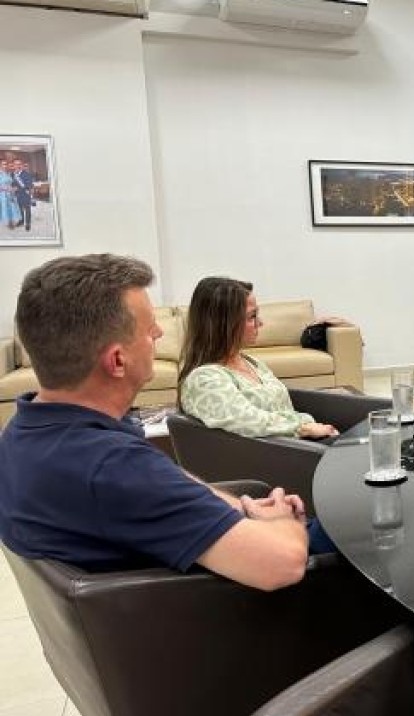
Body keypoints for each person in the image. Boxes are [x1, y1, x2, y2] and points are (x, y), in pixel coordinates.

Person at [0, 255, 309, 590]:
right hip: (233, 607)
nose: (160, 333)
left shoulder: (21, 433)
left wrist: (244, 507)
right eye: (150, 331)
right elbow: (284, 563)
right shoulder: (114, 466)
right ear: (118, 360)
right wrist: (283, 519)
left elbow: (167, 483)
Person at [178, 277, 337, 439]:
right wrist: (303, 428)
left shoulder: (251, 363)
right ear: (223, 323)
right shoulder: (204, 379)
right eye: (252, 316)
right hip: (280, 451)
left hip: (302, 442)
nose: (260, 323)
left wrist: (311, 426)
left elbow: (284, 409)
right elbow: (246, 420)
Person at [11, 159, 35, 232]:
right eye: (16, 164)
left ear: (21, 165)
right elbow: (12, 183)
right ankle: (21, 221)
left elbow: (29, 185)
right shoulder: (12, 174)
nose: (17, 166)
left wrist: (19, 188)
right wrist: (13, 188)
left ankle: (28, 224)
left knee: (27, 210)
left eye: (19, 164)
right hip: (17, 195)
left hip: (25, 195)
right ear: (13, 165)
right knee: (19, 210)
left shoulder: (26, 174)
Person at [0, 159, 22, 230]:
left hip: (11, 194)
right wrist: (6, 188)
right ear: (0, 165)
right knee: (5, 208)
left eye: (6, 164)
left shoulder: (8, 173)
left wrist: (14, 188)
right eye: (3, 164)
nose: (5, 166)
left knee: (13, 207)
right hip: (3, 194)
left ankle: (12, 221)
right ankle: (8, 222)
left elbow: (11, 183)